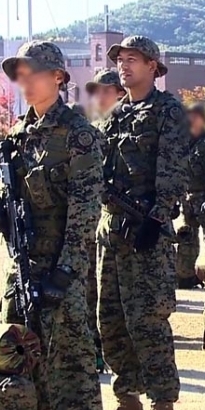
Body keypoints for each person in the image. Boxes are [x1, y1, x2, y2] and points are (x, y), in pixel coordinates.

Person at [0, 40, 107, 410]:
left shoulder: (79, 135)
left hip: (60, 271)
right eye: (18, 72)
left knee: (70, 366)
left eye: (31, 71)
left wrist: (66, 271)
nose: (23, 80)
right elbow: (8, 191)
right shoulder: (19, 134)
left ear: (57, 76)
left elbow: (85, 210)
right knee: (24, 360)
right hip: (22, 269)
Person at [97, 36, 187, 410]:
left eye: (132, 59)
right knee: (111, 322)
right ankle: (128, 403)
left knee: (148, 322)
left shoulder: (168, 112)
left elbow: (172, 171)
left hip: (146, 233)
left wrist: (157, 217)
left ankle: (161, 409)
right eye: (120, 60)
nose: (124, 66)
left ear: (153, 66)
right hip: (112, 233)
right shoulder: (115, 115)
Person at [82, 68, 126, 371]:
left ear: (120, 93)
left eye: (105, 90)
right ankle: (95, 350)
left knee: (115, 298)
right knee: (90, 292)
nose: (98, 96)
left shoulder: (128, 127)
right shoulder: (95, 128)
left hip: (121, 224)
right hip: (93, 222)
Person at [175, 102, 205, 287]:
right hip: (187, 197)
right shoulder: (184, 141)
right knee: (187, 238)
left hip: (204, 196)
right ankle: (186, 276)